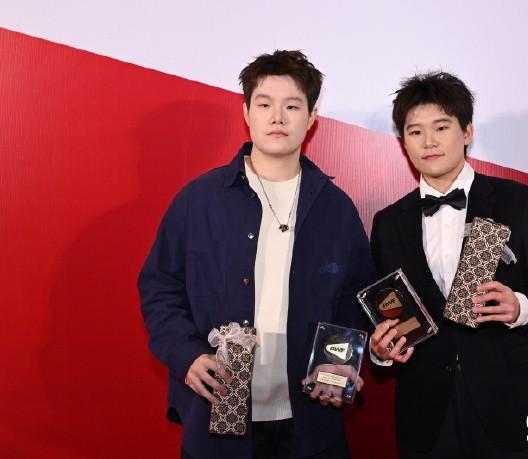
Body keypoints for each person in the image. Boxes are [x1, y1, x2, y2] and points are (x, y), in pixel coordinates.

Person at [139, 50, 374, 459]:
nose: (277, 118)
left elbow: (353, 302)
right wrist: (186, 354)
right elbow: (160, 287)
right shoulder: (199, 200)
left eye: (292, 106)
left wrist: (337, 363)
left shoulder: (337, 209)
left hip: (310, 425)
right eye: (264, 105)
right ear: (247, 112)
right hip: (216, 420)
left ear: (312, 117)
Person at [369, 71, 528, 458]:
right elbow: (386, 309)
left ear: (467, 132)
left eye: (441, 127)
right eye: (415, 132)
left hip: (512, 404)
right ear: (403, 142)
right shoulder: (388, 222)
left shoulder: (518, 201)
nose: (429, 142)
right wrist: (381, 349)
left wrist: (520, 306)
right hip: (427, 415)